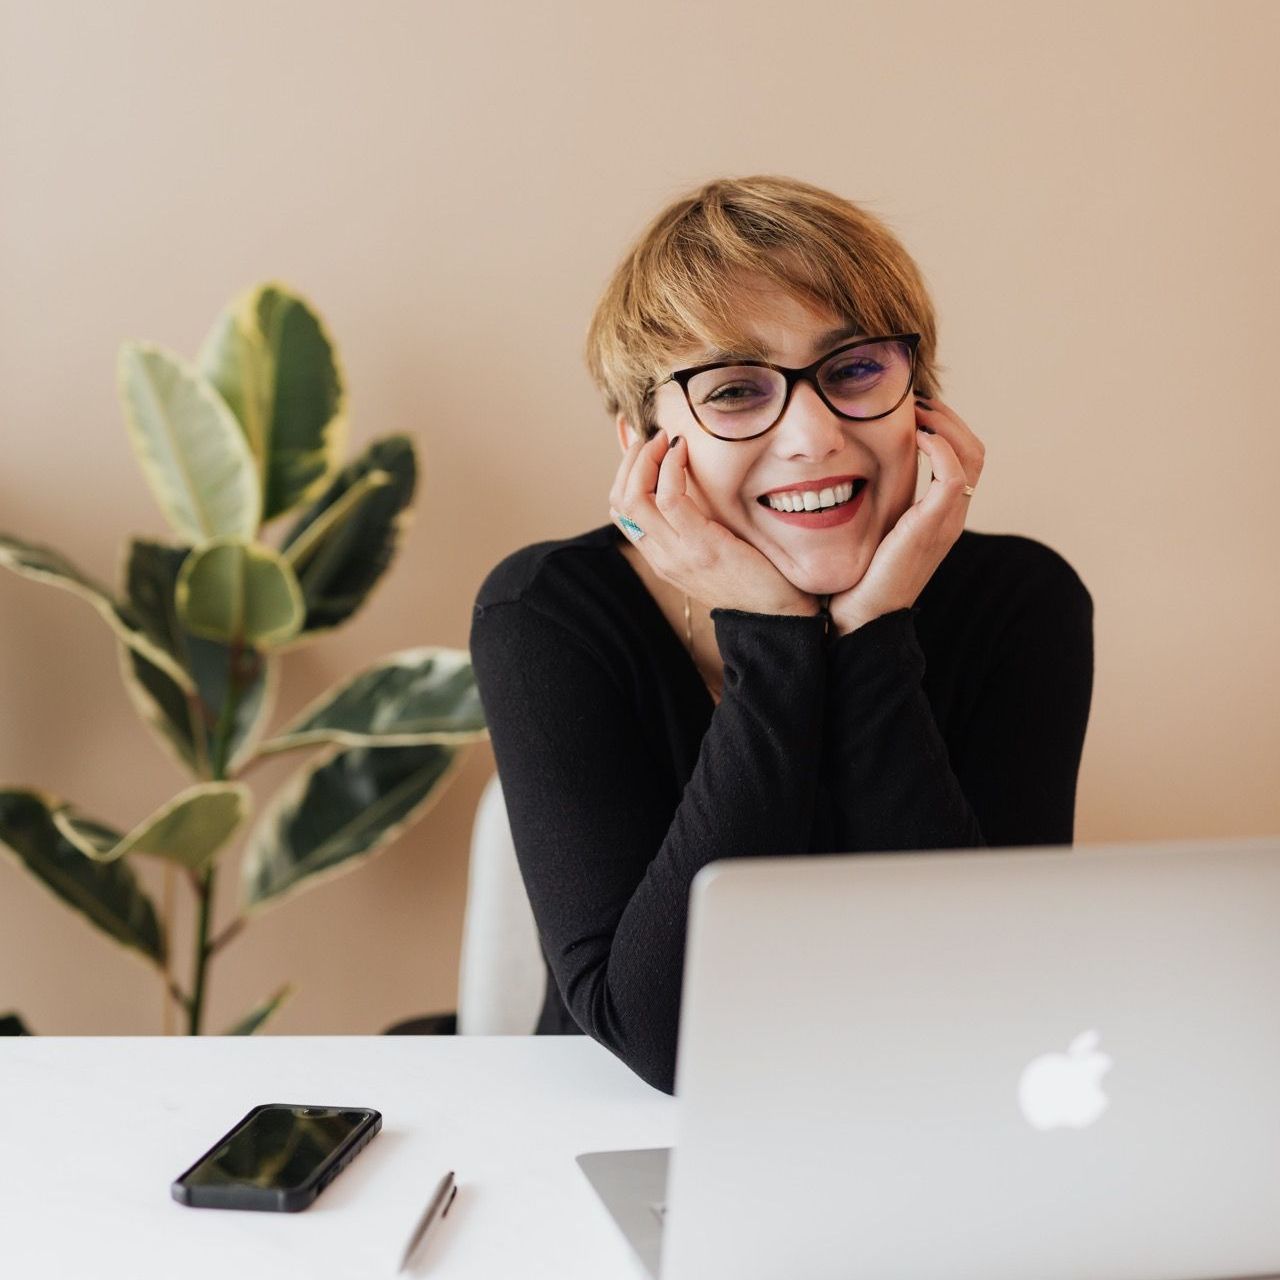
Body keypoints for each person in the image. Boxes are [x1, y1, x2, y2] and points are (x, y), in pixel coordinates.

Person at [469, 175, 1094, 1096]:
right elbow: (665, 1041)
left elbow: (990, 996)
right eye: (732, 391)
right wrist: (772, 636)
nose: (811, 436)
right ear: (645, 441)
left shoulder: (1022, 601)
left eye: (853, 371)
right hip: (620, 1133)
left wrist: (872, 633)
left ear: (920, 398)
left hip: (925, 1115)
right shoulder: (548, 614)